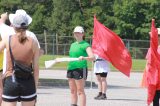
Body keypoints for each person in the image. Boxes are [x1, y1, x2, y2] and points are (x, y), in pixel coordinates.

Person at [0, 11, 39, 106]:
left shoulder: (7, 39)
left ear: (13, 26)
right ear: (27, 26)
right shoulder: (33, 43)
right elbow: (36, 69)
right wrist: (35, 87)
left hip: (11, 80)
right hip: (28, 81)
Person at [67, 26, 94, 106]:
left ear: (83, 34)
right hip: (71, 68)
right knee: (72, 90)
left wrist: (84, 57)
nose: (77, 34)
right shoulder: (72, 45)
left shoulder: (86, 45)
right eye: (75, 33)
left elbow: (92, 57)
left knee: (80, 91)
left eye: (78, 33)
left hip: (80, 69)